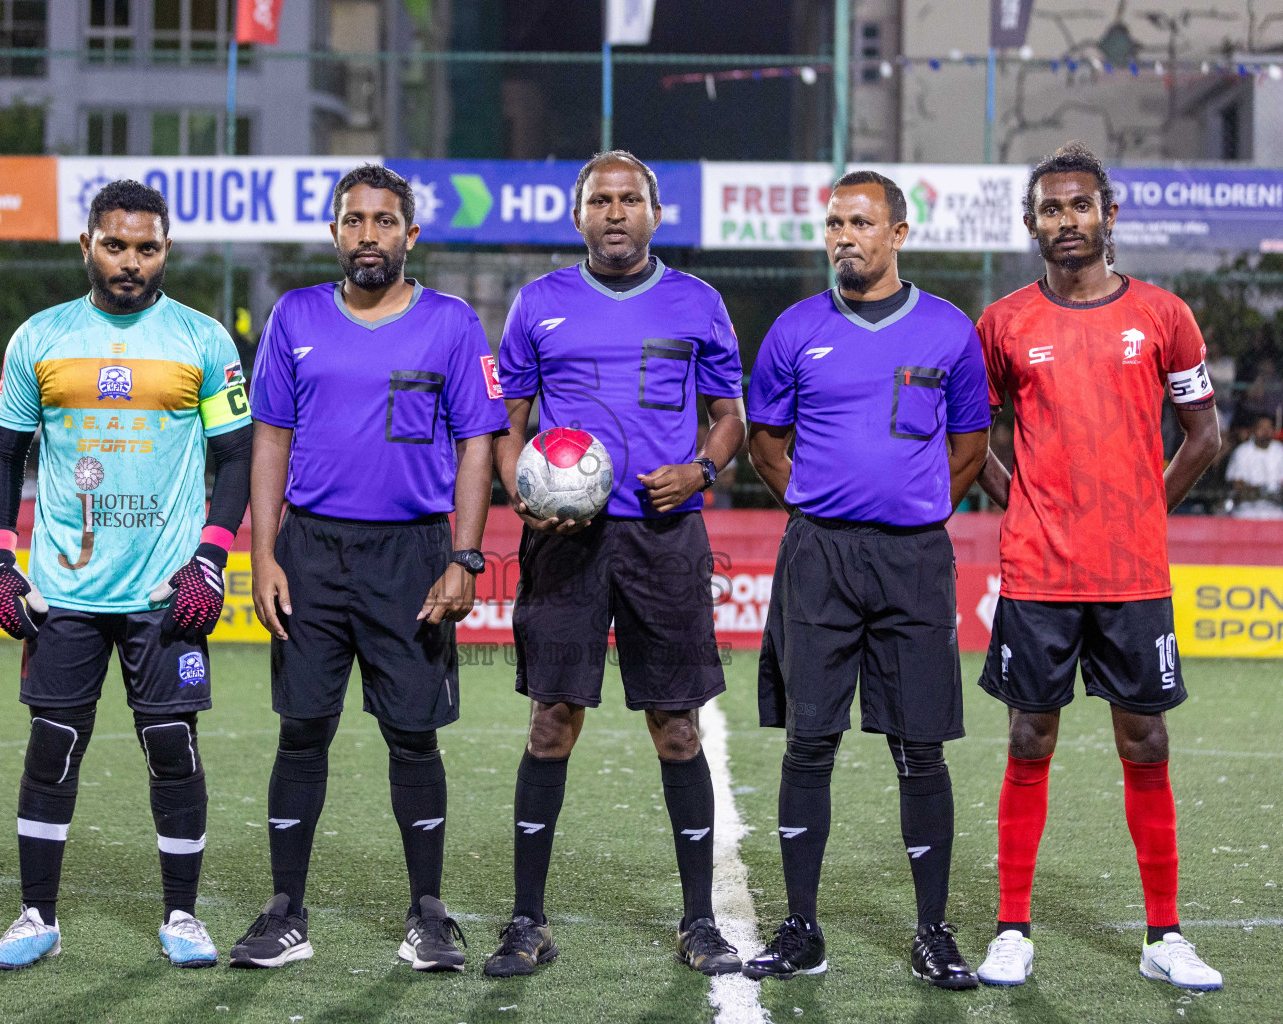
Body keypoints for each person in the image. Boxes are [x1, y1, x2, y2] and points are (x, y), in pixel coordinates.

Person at [233, 164, 506, 973]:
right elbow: (271, 439)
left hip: (413, 554)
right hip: (311, 551)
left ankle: (428, 913)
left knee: (413, 737)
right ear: (335, 234)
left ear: (410, 236)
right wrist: (264, 553)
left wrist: (463, 556)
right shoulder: (295, 315)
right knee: (302, 732)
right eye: (354, 221)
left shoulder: (453, 325)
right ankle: (286, 911)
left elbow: (477, 446)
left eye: (385, 222)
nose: (368, 236)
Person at [482, 150, 747, 978]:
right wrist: (519, 490)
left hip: (665, 541)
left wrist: (701, 470)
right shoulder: (539, 304)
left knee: (675, 726)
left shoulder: (699, 303)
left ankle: (699, 921)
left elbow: (730, 416)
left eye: (630, 198)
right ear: (579, 216)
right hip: (564, 542)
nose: (616, 212)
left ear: (655, 215)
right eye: (601, 199)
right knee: (552, 722)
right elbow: (507, 423)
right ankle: (527, 920)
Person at [0, 180, 253, 970]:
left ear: (167, 249)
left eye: (148, 247)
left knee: (173, 744)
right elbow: (4, 452)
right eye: (115, 245)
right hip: (63, 590)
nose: (131, 262)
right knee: (53, 744)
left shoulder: (202, 339)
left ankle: (183, 916)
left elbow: (235, 456)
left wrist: (211, 555)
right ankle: (36, 916)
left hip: (169, 593)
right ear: (87, 245)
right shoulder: (41, 337)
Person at [974, 143, 1224, 990]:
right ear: (1031, 223)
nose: (1065, 221)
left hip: (1133, 575)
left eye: (1080, 206)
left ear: (1109, 217)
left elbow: (1204, 437)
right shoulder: (1004, 323)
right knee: (1027, 734)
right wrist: (1020, 503)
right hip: (1039, 574)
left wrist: (1143, 507)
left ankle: (1165, 935)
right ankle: (1012, 927)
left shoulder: (1162, 315)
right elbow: (972, 440)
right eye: (1050, 209)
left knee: (1146, 738)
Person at [742, 171, 991, 987]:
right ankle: (801, 927)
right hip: (819, 556)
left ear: (898, 233)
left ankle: (932, 933)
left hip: (914, 560)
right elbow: (765, 443)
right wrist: (820, 508)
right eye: (834, 223)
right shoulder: (794, 328)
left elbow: (968, 449)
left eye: (860, 222)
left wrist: (912, 509)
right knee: (809, 744)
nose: (843, 236)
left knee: (921, 750)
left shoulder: (952, 332)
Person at [1226, 412, 1283, 519]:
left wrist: (1277, 492)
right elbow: (1238, 485)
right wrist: (1262, 492)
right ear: (1253, 430)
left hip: (1275, 509)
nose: (1266, 432)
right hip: (1247, 510)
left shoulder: (1280, 450)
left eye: (1269, 428)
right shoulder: (1242, 451)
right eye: (1262, 428)